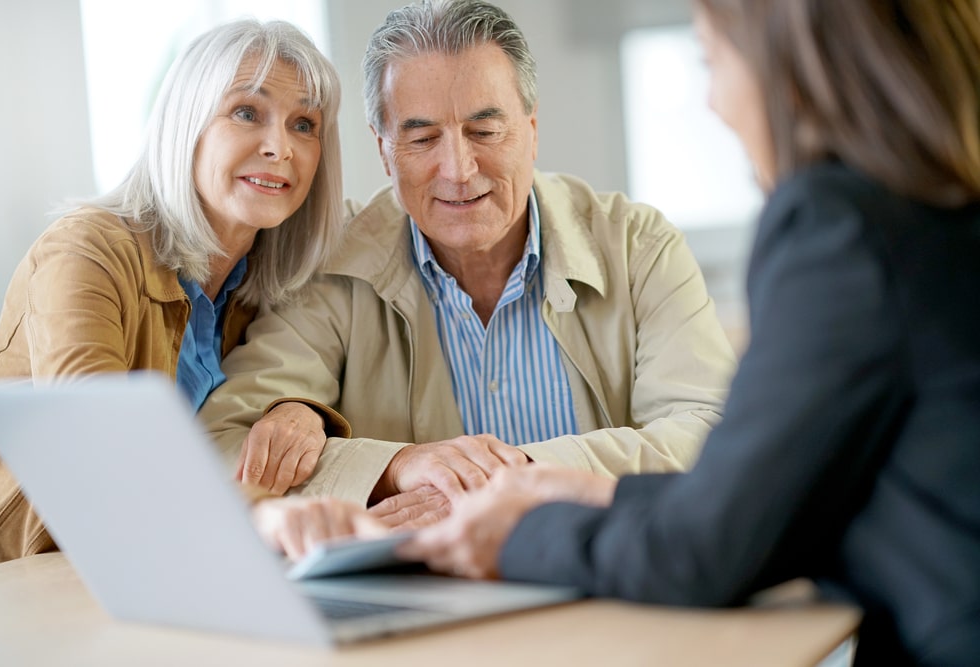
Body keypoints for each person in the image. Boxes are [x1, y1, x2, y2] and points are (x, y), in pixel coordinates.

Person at [393, 0, 980, 664]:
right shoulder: (939, 215)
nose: (713, 103)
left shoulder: (839, 229)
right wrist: (607, 489)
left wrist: (520, 532)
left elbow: (705, 551)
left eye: (713, 61)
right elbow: (773, 496)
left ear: (793, 67)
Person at [199, 0, 737, 511]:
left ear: (531, 130)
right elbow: (224, 445)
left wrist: (514, 476)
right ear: (384, 150)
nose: (458, 169)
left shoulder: (638, 246)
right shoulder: (329, 263)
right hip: (422, 596)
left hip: (605, 577)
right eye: (423, 138)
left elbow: (712, 429)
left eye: (485, 130)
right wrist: (397, 468)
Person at [0, 19, 348, 567]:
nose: (280, 148)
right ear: (186, 124)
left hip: (164, 566)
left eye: (304, 124)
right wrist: (264, 516)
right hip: (23, 576)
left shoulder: (262, 284)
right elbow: (98, 446)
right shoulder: (86, 249)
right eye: (247, 112)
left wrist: (301, 410)